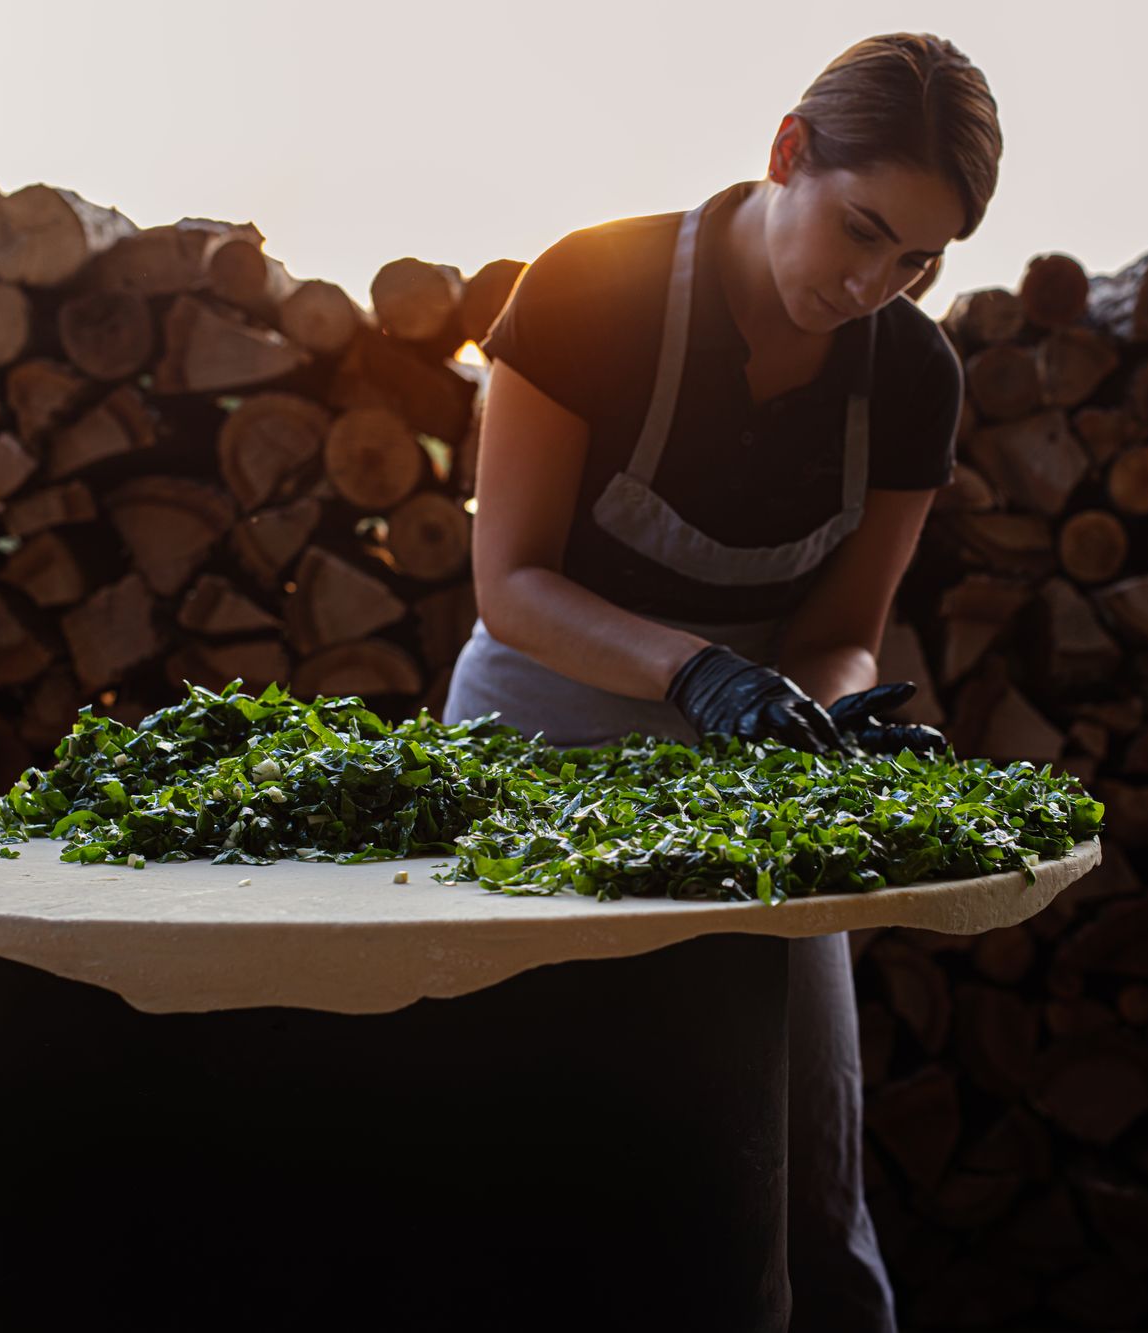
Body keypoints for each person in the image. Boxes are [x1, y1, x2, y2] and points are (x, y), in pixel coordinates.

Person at [442, 31, 1003, 1331]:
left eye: (917, 262)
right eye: (862, 232)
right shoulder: (591, 287)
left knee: (800, 1171)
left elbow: (845, 628)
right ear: (787, 153)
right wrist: (694, 672)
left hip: (755, 763)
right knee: (520, 1151)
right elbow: (510, 582)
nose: (873, 284)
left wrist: (827, 705)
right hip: (536, 728)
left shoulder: (913, 375)